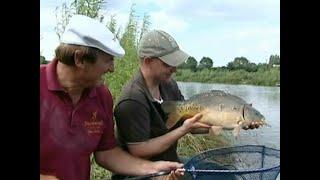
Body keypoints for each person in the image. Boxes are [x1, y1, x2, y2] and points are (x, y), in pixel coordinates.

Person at [40, 15, 184, 180]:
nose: (112, 69)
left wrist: (153, 168)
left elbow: (106, 153)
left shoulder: (101, 95)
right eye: (108, 60)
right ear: (79, 59)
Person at [113, 30, 261, 179]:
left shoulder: (168, 85)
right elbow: (140, 150)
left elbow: (190, 124)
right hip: (139, 174)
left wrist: (234, 122)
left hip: (171, 164)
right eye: (168, 63)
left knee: (226, 176)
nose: (175, 68)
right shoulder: (132, 100)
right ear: (148, 61)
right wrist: (182, 130)